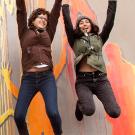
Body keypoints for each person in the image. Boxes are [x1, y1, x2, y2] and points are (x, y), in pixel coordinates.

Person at [62, 0, 121, 121]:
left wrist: (112, 2)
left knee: (115, 112)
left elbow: (109, 23)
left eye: (86, 22)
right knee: (89, 110)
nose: (84, 24)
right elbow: (68, 25)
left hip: (101, 80)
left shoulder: (99, 38)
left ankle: (87, 101)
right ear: (78, 27)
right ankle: (80, 105)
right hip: (83, 81)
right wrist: (65, 7)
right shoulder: (74, 41)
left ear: (91, 25)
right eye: (81, 23)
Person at [14, 0, 63, 135]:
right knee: (18, 116)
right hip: (28, 79)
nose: (44, 20)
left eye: (45, 19)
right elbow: (21, 11)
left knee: (53, 112)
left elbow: (55, 13)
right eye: (40, 17)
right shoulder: (24, 31)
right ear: (33, 20)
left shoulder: (49, 32)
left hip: (46, 77)